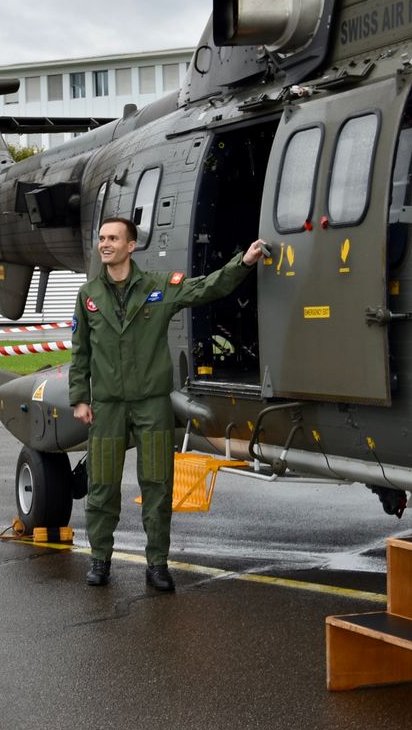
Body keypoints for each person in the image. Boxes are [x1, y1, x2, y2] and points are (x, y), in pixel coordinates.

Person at [70, 217, 266, 592]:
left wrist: (243, 263)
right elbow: (80, 352)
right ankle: (100, 559)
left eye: (113, 238)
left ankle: (157, 563)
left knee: (158, 483)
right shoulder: (89, 295)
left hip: (152, 404)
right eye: (102, 238)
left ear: (131, 246)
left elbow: (206, 288)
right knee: (102, 486)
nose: (104, 244)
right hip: (108, 405)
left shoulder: (159, 288)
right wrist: (80, 398)